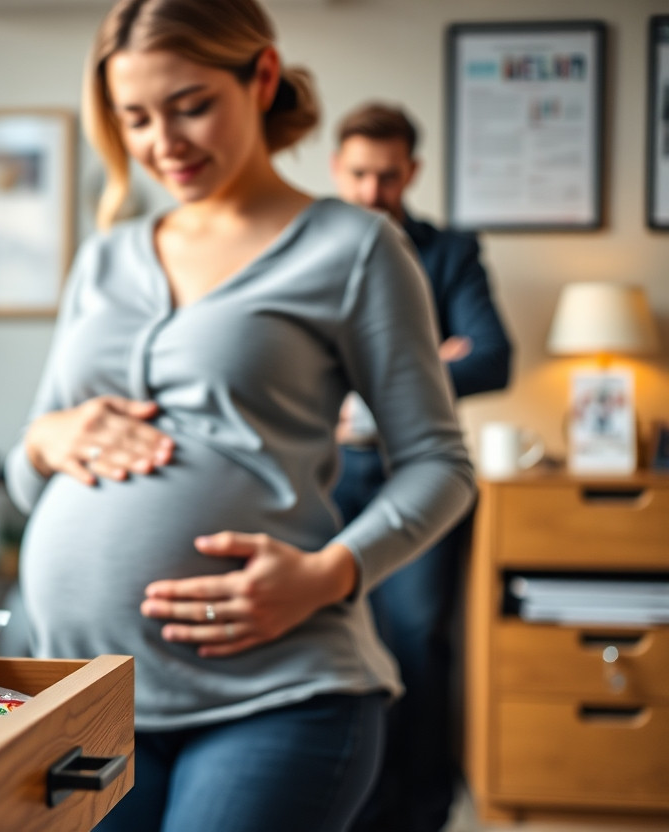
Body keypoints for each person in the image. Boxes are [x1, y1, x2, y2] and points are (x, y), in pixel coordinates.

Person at [3, 2, 476, 830]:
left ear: (261, 77)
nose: (164, 143)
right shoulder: (104, 258)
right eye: (135, 118)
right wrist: (43, 441)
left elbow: (441, 464)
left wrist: (331, 573)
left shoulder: (354, 248)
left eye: (190, 106)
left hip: (276, 695)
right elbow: (26, 477)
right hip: (84, 693)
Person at [329, 103, 512, 832]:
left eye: (388, 175)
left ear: (413, 172)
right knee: (338, 644)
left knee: (417, 643)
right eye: (359, 174)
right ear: (336, 169)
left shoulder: (449, 252)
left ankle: (424, 814)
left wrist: (370, 389)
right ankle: (357, 810)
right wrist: (430, 362)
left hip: (417, 473)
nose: (372, 191)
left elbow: (492, 357)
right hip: (326, 478)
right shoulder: (306, 243)